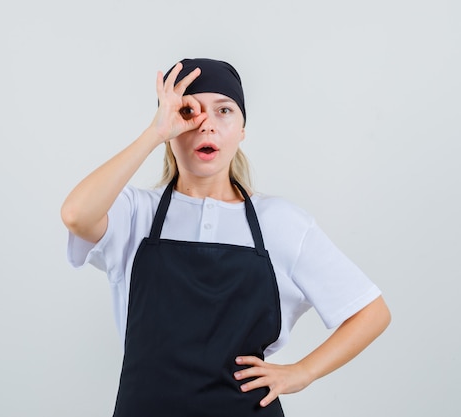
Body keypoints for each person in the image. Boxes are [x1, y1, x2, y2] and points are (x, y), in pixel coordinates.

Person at [60, 58, 391, 416]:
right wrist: (154, 133)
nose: (207, 126)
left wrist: (302, 373)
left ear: (243, 129)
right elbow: (76, 215)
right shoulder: (135, 214)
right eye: (190, 111)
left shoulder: (279, 222)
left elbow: (371, 311)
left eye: (224, 111)